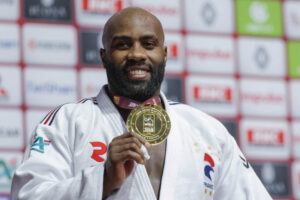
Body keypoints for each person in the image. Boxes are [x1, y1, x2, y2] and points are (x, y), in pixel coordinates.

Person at [11, 7, 272, 200]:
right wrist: (101, 180)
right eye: (123, 45)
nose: (137, 54)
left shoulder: (207, 130)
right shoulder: (67, 122)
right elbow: (29, 195)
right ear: (104, 56)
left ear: (164, 54)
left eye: (148, 44)